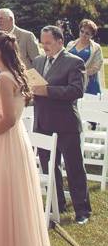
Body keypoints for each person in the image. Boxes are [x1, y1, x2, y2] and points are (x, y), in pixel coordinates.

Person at [0, 32, 52, 246]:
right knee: (10, 193)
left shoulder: (3, 78)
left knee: (3, 193)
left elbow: (9, 119)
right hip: (16, 139)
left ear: (1, 51)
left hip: (5, 139)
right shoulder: (13, 74)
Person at [31, 25, 91, 224]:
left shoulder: (75, 62)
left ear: (60, 42)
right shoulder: (38, 60)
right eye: (43, 42)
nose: (44, 46)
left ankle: (82, 210)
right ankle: (58, 204)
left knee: (74, 168)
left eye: (48, 43)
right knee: (49, 167)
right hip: (43, 122)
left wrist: (47, 91)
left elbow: (76, 91)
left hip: (66, 123)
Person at [67, 19, 104, 95]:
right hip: (70, 81)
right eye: (82, 31)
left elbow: (97, 66)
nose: (83, 34)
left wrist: (82, 73)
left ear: (92, 35)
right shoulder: (70, 44)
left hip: (89, 83)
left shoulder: (96, 48)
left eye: (87, 33)